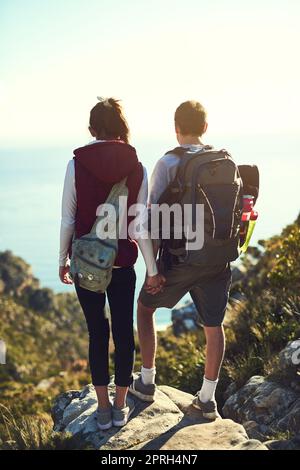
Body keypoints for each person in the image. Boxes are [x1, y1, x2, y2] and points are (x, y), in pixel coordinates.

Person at [58, 97, 164, 430]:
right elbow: (138, 226)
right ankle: (120, 408)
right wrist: (153, 268)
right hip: (121, 264)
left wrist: (62, 258)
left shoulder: (76, 164)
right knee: (122, 331)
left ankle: (102, 410)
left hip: (86, 262)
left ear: (92, 128)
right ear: (121, 128)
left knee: (96, 333)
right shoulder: (138, 167)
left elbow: (68, 217)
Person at [129, 100, 234, 420]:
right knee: (214, 327)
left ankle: (146, 382)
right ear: (205, 127)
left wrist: (153, 270)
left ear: (176, 129)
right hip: (218, 258)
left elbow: (149, 219)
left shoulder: (169, 162)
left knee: (145, 309)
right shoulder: (224, 158)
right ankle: (206, 400)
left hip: (181, 259)